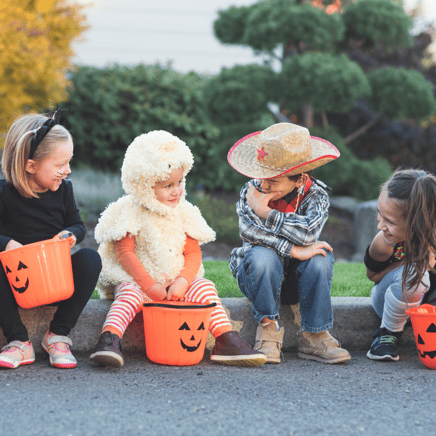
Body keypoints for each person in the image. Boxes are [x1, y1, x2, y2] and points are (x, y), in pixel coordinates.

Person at [90, 130, 267, 368]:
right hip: (140, 282)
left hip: (175, 285)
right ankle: (110, 339)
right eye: (167, 185)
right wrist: (150, 286)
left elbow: (192, 252)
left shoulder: (183, 212)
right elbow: (125, 253)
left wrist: (183, 281)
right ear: (144, 185)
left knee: (204, 287)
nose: (176, 191)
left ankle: (225, 338)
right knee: (128, 296)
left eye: (180, 182)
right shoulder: (131, 211)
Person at [227, 122, 351, 364]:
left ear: (299, 179)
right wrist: (294, 250)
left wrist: (267, 213)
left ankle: (314, 335)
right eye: (261, 176)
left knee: (319, 256)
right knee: (263, 255)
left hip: (295, 284)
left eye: (273, 180)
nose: (263, 185)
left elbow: (308, 234)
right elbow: (250, 232)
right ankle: (268, 328)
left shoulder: (316, 195)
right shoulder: (251, 191)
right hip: (257, 278)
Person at [0, 110, 102, 369]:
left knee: (90, 258)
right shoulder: (4, 193)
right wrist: (7, 243)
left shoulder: (64, 190)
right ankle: (18, 341)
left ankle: (57, 335)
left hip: (54, 279)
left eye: (69, 162)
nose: (67, 171)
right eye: (60, 165)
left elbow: (78, 225)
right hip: (17, 284)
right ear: (30, 165)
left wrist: (71, 235)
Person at [365, 169, 436, 361]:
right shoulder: (384, 243)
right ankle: (388, 334)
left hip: (427, 307)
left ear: (417, 223)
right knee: (416, 273)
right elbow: (372, 276)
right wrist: (413, 260)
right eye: (380, 214)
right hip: (392, 299)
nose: (380, 225)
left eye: (390, 221)